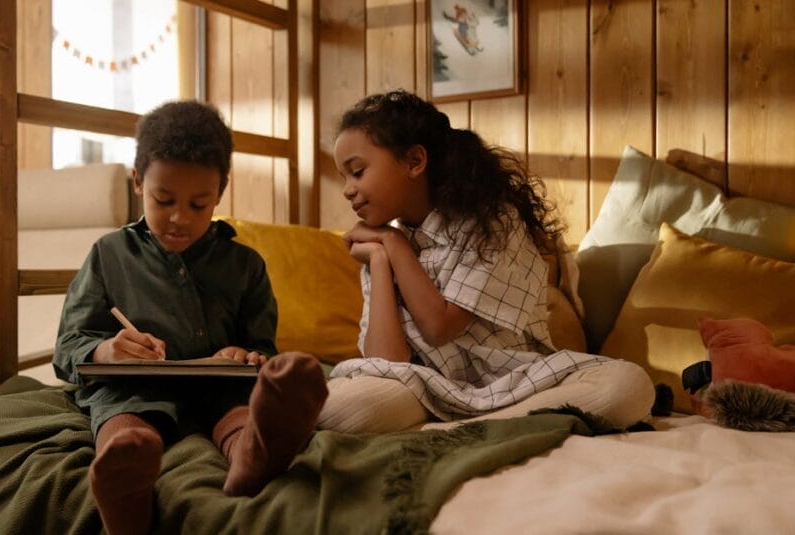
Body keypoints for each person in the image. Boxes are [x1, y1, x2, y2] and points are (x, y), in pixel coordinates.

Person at [54, 100, 327, 535]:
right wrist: (108, 348)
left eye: (199, 205)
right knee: (125, 424)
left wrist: (247, 354)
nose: (179, 218)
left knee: (241, 407)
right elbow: (68, 348)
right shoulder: (109, 255)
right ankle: (126, 487)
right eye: (164, 200)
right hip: (135, 390)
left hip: (219, 387)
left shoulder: (246, 265)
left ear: (220, 193)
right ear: (138, 181)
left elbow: (261, 346)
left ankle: (250, 457)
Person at [317, 89, 654, 434]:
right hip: (424, 389)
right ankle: (488, 428)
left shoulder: (491, 222)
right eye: (344, 177)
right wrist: (378, 259)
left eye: (357, 171)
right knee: (338, 409)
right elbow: (385, 364)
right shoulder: (376, 247)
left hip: (516, 385)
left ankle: (468, 429)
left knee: (628, 385)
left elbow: (439, 327)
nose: (347, 189)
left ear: (415, 162)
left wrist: (394, 243)